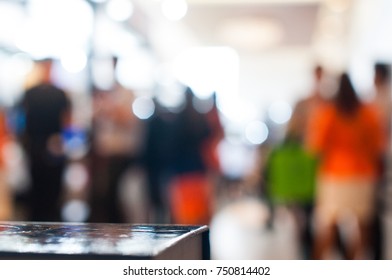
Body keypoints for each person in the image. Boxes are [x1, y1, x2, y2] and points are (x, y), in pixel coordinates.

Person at [306, 73, 386, 259]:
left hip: (334, 173)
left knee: (328, 224)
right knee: (361, 225)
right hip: (362, 173)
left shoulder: (327, 113)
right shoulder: (368, 113)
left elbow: (315, 146)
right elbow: (377, 145)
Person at [19, 59, 71, 222]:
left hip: (52, 145)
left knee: (52, 189)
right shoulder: (30, 92)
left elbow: (67, 120)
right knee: (38, 187)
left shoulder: (59, 93)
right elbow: (21, 120)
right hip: (36, 146)